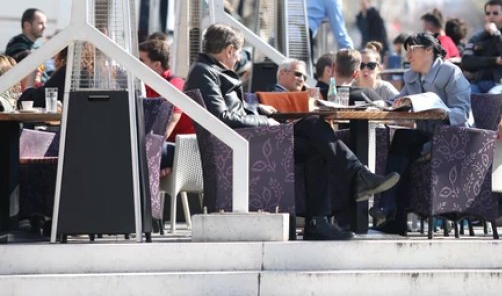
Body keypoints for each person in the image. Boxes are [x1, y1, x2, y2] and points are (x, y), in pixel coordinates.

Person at [184, 24, 399, 241]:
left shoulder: (209, 70)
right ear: (229, 50)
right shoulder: (205, 73)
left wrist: (258, 108)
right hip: (246, 145)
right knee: (314, 125)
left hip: (250, 140)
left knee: (316, 137)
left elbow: (232, 109)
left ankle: (319, 221)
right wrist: (268, 121)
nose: (239, 59)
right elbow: (222, 118)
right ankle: (358, 177)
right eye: (238, 52)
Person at [370, 32, 473, 235]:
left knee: (405, 143)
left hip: (452, 140)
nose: (407, 56)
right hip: (426, 137)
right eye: (405, 51)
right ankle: (392, 214)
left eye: (412, 50)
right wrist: (379, 105)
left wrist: (441, 111)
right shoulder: (413, 76)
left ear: (429, 50)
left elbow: (463, 113)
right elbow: (398, 102)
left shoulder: (451, 73)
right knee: (402, 138)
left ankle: (391, 212)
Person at [139, 40, 193, 168]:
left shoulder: (174, 85)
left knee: (140, 153)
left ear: (157, 64)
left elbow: (167, 126)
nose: (136, 64)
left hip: (183, 148)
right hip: (161, 143)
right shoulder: (144, 85)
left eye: (141, 61)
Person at [460, 0, 502, 94]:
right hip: (477, 82)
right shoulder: (477, 38)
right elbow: (466, 62)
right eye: (488, 14)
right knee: (464, 95)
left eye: (495, 13)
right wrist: (495, 61)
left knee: (492, 97)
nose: (491, 16)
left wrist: (496, 34)